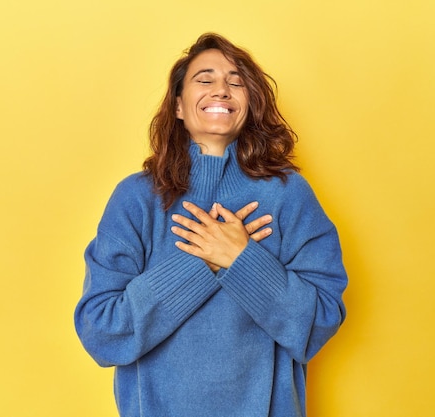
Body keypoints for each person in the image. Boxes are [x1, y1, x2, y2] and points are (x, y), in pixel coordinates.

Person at [74, 33, 347, 417]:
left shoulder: (289, 195)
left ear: (249, 104)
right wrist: (204, 261)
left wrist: (244, 260)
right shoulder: (136, 198)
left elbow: (320, 321)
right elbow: (102, 333)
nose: (221, 89)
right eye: (204, 80)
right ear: (179, 105)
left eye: (236, 82)